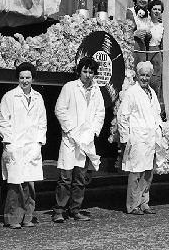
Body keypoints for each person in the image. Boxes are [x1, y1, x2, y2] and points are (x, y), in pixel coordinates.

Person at [53, 57, 106, 222]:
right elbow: (60, 109)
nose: (88, 75)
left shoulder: (97, 91)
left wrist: (93, 132)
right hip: (70, 138)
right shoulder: (69, 87)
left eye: (91, 72)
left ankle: (75, 210)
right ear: (79, 71)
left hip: (86, 140)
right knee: (65, 178)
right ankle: (59, 211)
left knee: (80, 178)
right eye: (85, 71)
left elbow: (100, 113)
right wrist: (71, 130)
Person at [0, 62, 46, 229]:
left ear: (33, 78)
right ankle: (12, 219)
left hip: (32, 146)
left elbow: (42, 122)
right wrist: (8, 144)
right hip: (15, 145)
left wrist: (39, 143)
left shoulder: (38, 97)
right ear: (18, 78)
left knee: (30, 184)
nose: (25, 81)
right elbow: (3, 122)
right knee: (16, 184)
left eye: (28, 77)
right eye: (22, 78)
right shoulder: (9, 97)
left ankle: (27, 218)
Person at [118, 61, 164, 215]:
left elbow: (157, 113)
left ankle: (144, 203)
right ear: (137, 76)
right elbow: (122, 116)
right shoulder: (131, 93)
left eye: (147, 75)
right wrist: (125, 138)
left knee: (148, 172)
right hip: (137, 138)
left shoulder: (152, 92)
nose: (144, 78)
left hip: (151, 138)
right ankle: (133, 205)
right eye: (142, 75)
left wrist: (160, 131)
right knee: (136, 172)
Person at [146, 0, 165, 102]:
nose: (157, 11)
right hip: (146, 52)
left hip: (157, 53)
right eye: (154, 9)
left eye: (159, 9)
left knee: (155, 81)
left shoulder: (162, 26)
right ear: (150, 10)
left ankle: (155, 104)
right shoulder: (146, 23)